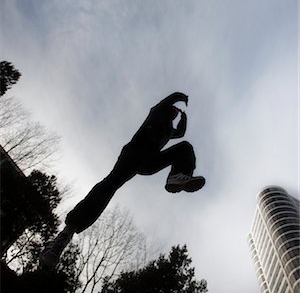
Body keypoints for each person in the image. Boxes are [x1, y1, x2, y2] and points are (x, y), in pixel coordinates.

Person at [40, 92, 205, 270]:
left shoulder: (168, 131)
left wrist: (184, 117)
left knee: (184, 148)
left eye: (174, 112)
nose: (173, 112)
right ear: (167, 110)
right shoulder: (157, 114)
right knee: (110, 185)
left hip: (148, 162)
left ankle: (178, 177)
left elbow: (180, 133)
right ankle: (67, 233)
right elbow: (163, 103)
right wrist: (180, 96)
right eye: (172, 111)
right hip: (133, 154)